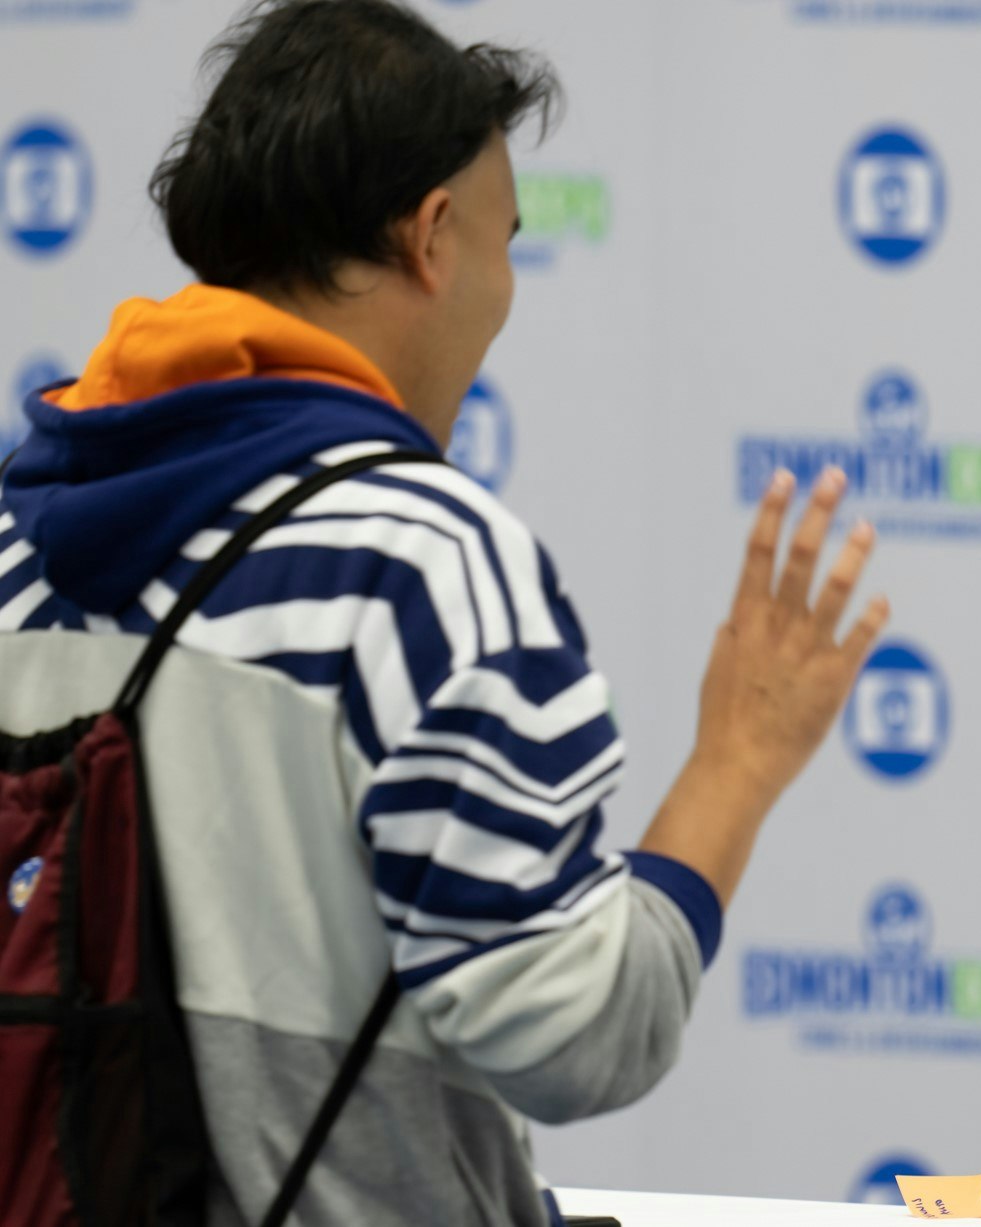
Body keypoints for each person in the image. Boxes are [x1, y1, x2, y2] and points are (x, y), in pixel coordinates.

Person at [0, 2, 886, 1223]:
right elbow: (578, 1035)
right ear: (432, 238)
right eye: (506, 239)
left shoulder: (19, 537)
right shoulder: (420, 561)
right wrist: (737, 762)